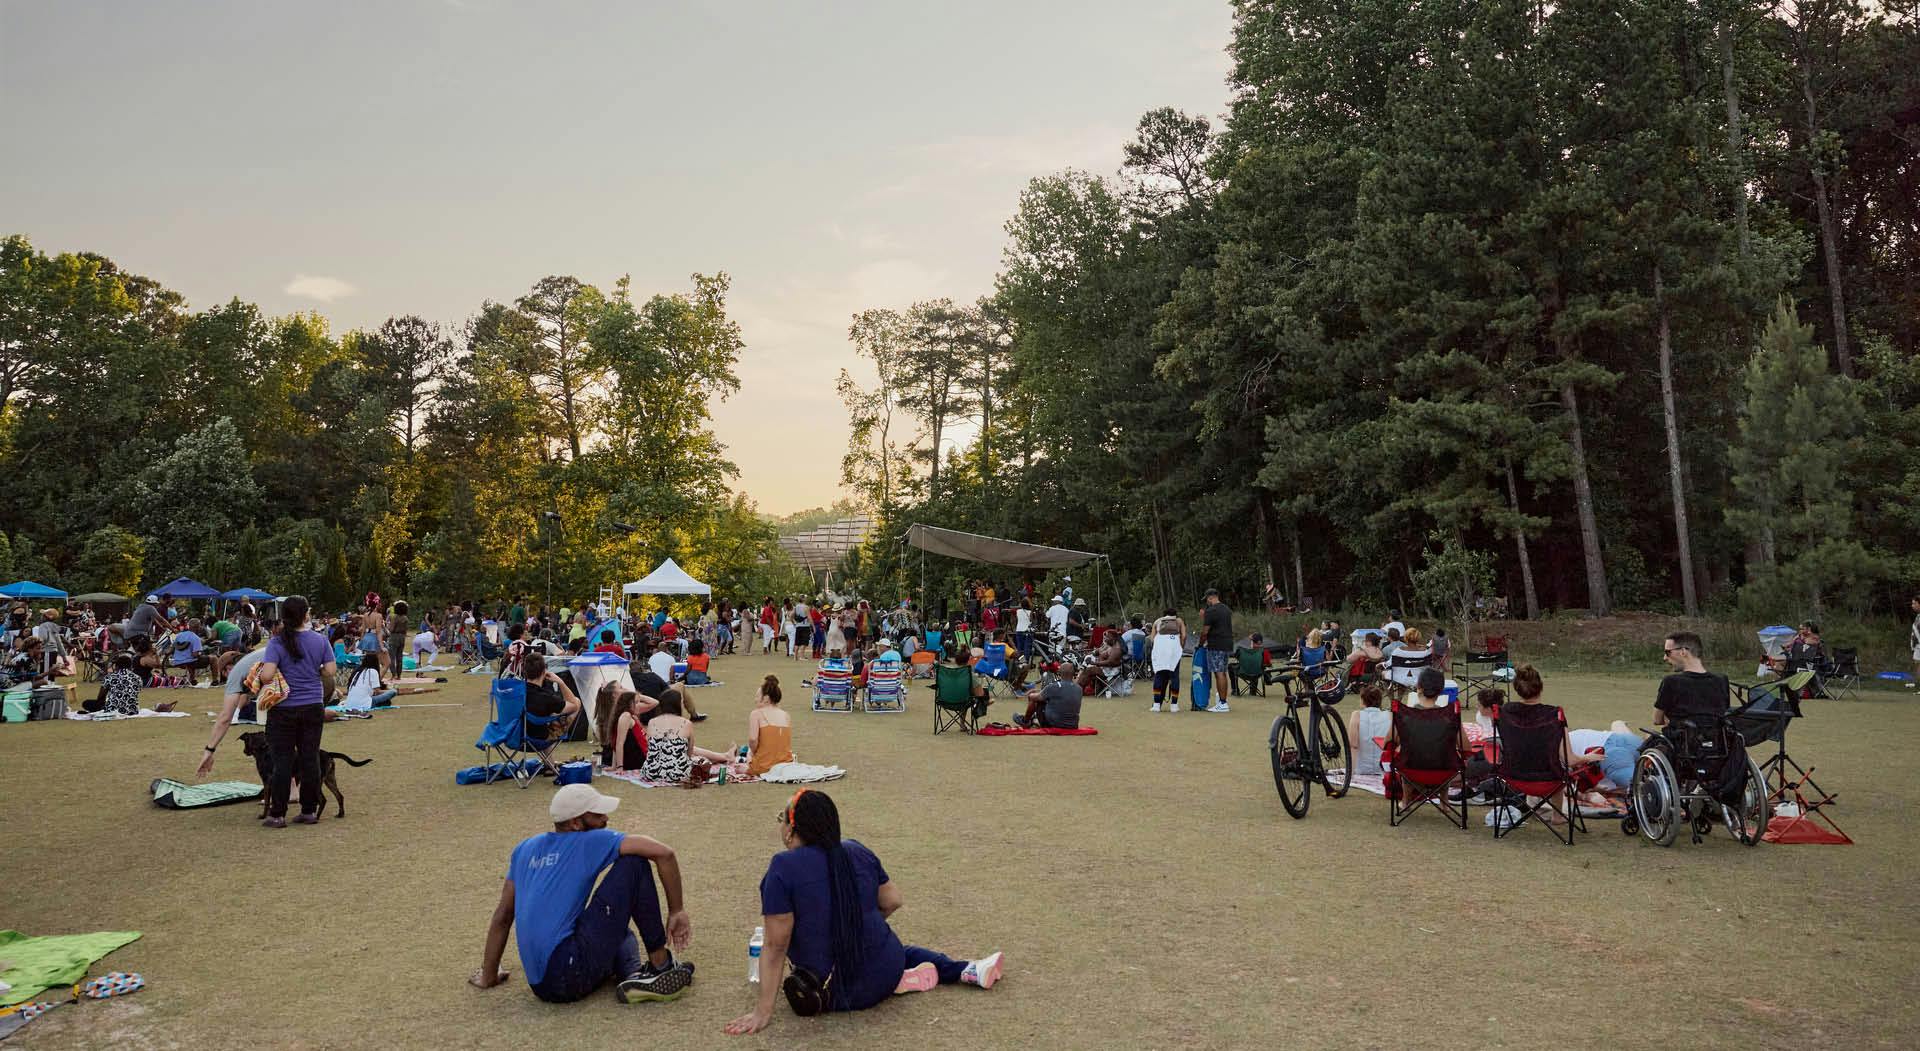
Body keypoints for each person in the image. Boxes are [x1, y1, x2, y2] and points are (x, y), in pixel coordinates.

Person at [724, 790, 1002, 1035]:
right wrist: (854, 926)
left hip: (839, 992)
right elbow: (893, 900)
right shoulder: (856, 850)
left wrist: (763, 1011)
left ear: (791, 829)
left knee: (853, 958)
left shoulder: (783, 868)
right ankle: (968, 970)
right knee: (898, 950)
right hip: (887, 964)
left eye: (780, 819)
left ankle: (901, 980)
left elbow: (775, 946)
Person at [471, 783, 694, 1004]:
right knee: (634, 864)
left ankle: (635, 978)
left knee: (622, 934)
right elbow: (665, 854)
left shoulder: (524, 848)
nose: (605, 819)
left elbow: (503, 916)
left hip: (541, 985)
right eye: (598, 815)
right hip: (568, 973)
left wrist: (488, 976)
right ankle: (661, 967)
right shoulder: (588, 840)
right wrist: (677, 911)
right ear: (576, 823)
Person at [248, 595, 337, 828]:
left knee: (282, 762)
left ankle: (277, 814)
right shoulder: (320, 640)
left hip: (284, 709)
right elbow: (330, 671)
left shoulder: (277, 643)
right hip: (312, 706)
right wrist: (313, 668)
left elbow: (267, 676)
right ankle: (309, 811)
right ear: (306, 614)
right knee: (309, 758)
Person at [195, 644, 269, 769]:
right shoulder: (253, 662)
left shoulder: (237, 671)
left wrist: (209, 750)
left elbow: (225, 718)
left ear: (227, 669)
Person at [640, 688, 734, 783]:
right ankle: (724, 756)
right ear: (677, 704)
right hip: (679, 773)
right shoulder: (686, 723)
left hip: (651, 773)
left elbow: (650, 749)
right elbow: (689, 752)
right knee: (701, 760)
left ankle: (725, 756)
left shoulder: (652, 722)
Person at [1656, 631, 1728, 728]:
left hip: (1682, 741)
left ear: (1683, 652)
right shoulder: (1721, 680)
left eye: (1668, 652)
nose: (1665, 658)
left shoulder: (1671, 681)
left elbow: (1657, 720)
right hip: (1715, 741)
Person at [521, 653, 582, 741]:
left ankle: (547, 755)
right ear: (544, 671)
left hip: (516, 736)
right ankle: (549, 751)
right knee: (577, 701)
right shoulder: (546, 697)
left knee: (547, 714)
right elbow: (574, 705)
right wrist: (561, 682)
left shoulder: (516, 691)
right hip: (538, 739)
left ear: (525, 671)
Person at [747, 675, 794, 777]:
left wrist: (752, 753)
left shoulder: (756, 714)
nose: (755, 700)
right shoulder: (786, 715)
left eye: (757, 696)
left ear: (766, 698)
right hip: (785, 766)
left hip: (763, 766)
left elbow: (752, 739)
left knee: (747, 753)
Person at [1198, 588, 1233, 713]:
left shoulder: (1211, 611)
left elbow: (1205, 631)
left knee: (1219, 673)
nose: (1206, 602)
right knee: (1222, 672)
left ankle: (1223, 703)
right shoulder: (1226, 609)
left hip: (1216, 644)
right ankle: (1222, 700)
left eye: (1206, 599)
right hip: (1227, 643)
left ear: (1209, 597)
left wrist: (1200, 644)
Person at [607, 689, 657, 772]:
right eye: (636, 702)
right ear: (628, 703)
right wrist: (619, 766)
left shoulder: (629, 715)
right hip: (639, 758)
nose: (639, 705)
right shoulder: (626, 716)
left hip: (642, 753)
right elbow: (618, 743)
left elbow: (655, 702)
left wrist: (637, 695)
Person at [1147, 607, 1186, 713]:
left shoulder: (1157, 621)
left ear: (1164, 615)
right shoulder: (1179, 621)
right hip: (1174, 647)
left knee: (1159, 675)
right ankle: (1174, 705)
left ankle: (1156, 705)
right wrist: (1180, 647)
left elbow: (1152, 639)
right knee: (1174, 676)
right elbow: (1184, 636)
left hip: (1160, 647)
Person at [1347, 685, 1391, 776]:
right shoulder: (1390, 716)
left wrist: (1350, 773)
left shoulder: (1356, 715)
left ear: (1363, 700)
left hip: (1361, 768)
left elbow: (1353, 745)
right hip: (1384, 768)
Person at [1014, 677, 1082, 730]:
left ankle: (1025, 722)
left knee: (1036, 700)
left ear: (1060, 674)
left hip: (1053, 724)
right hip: (1073, 725)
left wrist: (1030, 693)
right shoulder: (1079, 688)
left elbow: (1032, 697)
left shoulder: (1053, 686)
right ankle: (1032, 718)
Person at [170, 619, 211, 687]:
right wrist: (200, 653)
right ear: (198, 627)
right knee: (213, 658)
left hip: (177, 662)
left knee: (191, 659)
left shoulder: (179, 635)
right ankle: (215, 681)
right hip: (188, 662)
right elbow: (195, 655)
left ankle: (192, 679)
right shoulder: (196, 638)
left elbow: (172, 649)